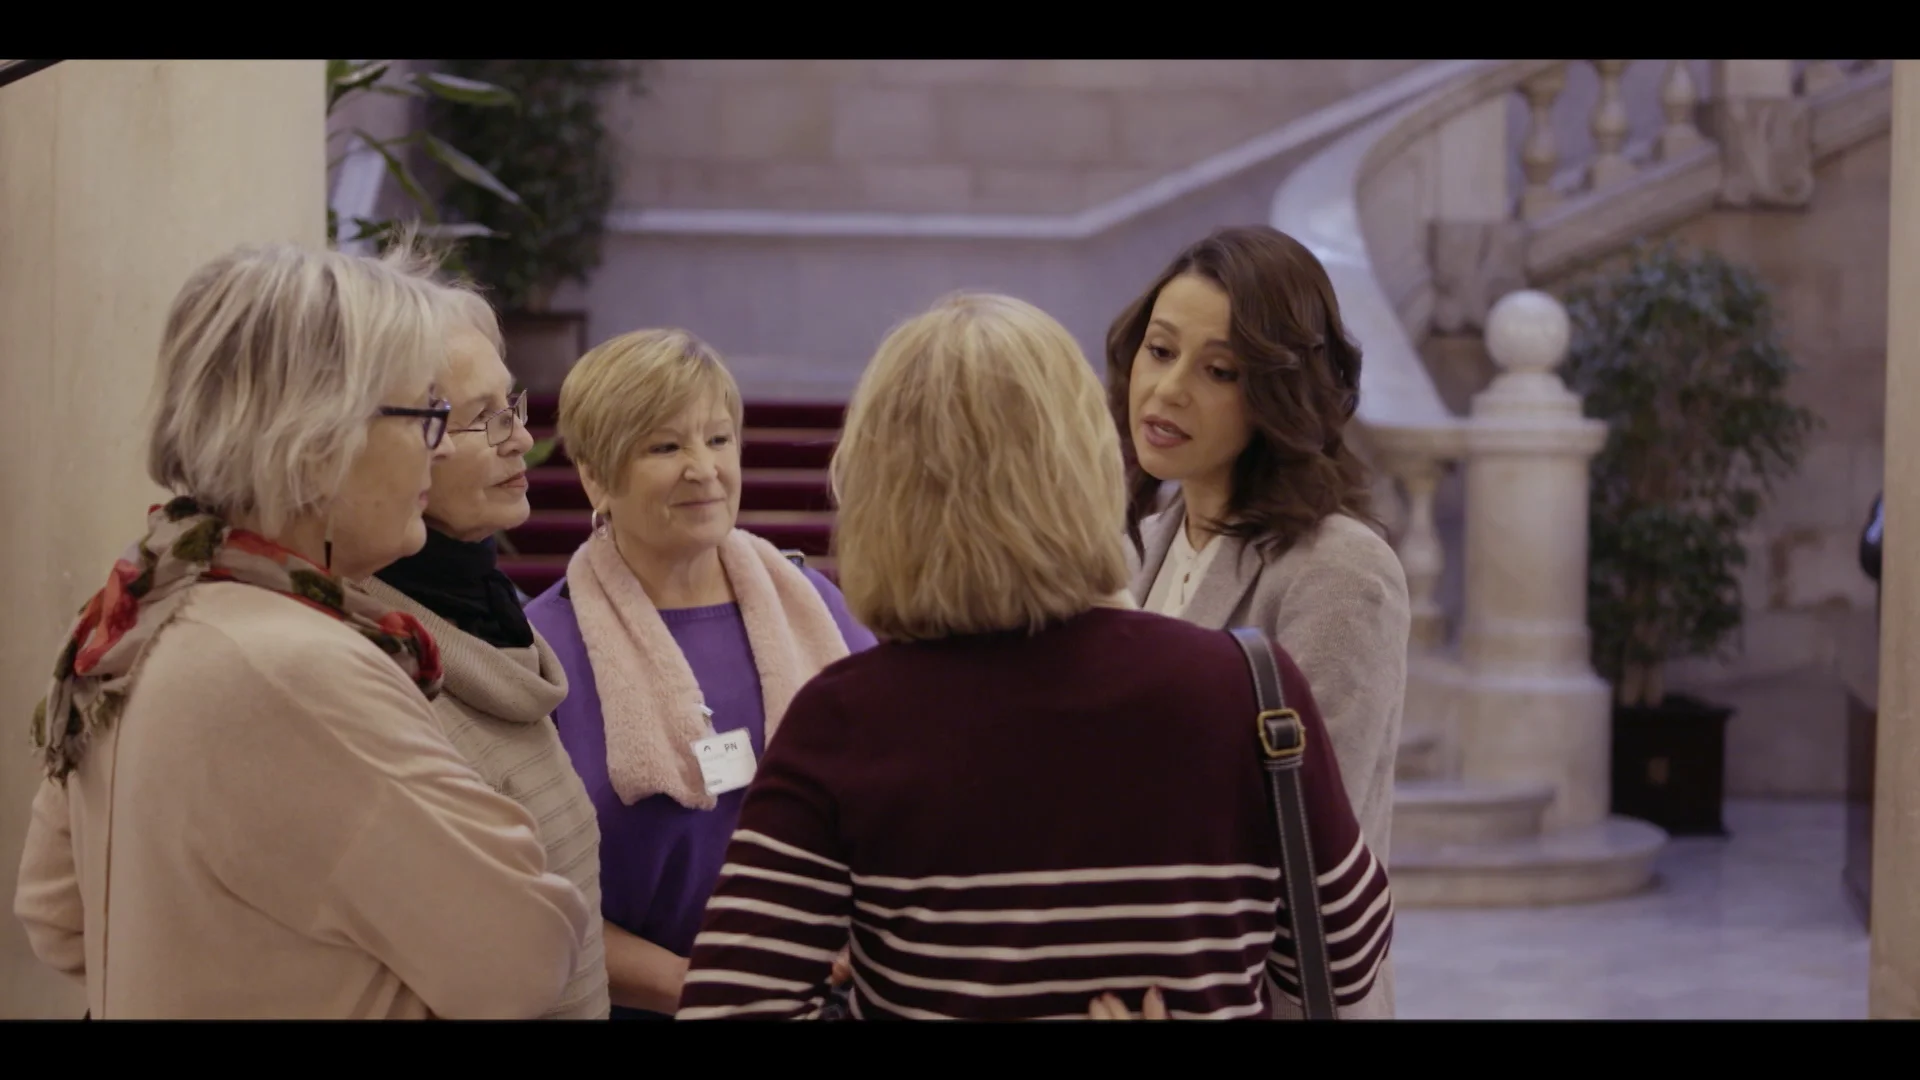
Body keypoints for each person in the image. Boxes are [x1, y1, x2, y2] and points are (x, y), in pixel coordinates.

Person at [675, 292, 1392, 1021]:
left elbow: (728, 1009)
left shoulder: (843, 722)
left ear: (876, 488)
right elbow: (1344, 956)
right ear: (1085, 463)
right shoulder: (1246, 689)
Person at [12, 240, 592, 1019]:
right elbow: (526, 957)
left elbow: (60, 917)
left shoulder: (149, 612)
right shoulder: (296, 666)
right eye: (424, 414)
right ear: (321, 442)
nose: (438, 445)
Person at [524, 328, 878, 1020]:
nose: (704, 468)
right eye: (665, 446)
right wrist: (707, 989)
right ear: (596, 476)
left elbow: (901, 788)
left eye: (718, 439)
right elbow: (533, 903)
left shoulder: (816, 605)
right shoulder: (544, 651)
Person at [1107, 225, 1410, 1018]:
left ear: (1278, 392)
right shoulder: (1133, 548)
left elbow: (1307, 846)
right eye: (1160, 350)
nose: (1168, 390)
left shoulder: (1339, 569)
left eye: (1218, 371)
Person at [357, 283, 610, 1020]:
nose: (521, 440)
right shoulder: (367, 658)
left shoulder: (493, 612)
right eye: (479, 420)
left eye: (514, 407)